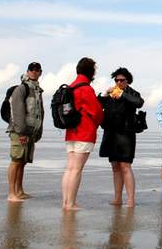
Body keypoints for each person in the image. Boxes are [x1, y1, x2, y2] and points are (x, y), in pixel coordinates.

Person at [61, 57, 104, 211]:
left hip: (71, 132)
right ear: (90, 71)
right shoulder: (86, 88)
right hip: (84, 132)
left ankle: (66, 202)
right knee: (77, 169)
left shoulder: (71, 86)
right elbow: (97, 112)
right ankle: (71, 204)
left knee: (69, 168)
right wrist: (97, 123)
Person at [98, 67, 144, 207]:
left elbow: (139, 102)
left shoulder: (132, 93)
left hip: (126, 133)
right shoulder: (111, 93)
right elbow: (97, 104)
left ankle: (131, 199)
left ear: (127, 81)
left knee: (125, 166)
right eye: (116, 80)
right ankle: (117, 198)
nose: (118, 82)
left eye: (121, 80)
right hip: (111, 133)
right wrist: (104, 94)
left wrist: (123, 94)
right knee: (115, 167)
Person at [6, 62, 44, 202]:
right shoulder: (22, 88)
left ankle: (19, 191)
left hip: (30, 132)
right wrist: (21, 132)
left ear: (40, 72)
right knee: (16, 161)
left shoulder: (37, 90)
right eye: (32, 70)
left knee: (23, 162)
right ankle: (11, 193)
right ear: (27, 72)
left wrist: (38, 131)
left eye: (37, 70)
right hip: (19, 131)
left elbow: (39, 113)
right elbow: (17, 112)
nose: (34, 72)